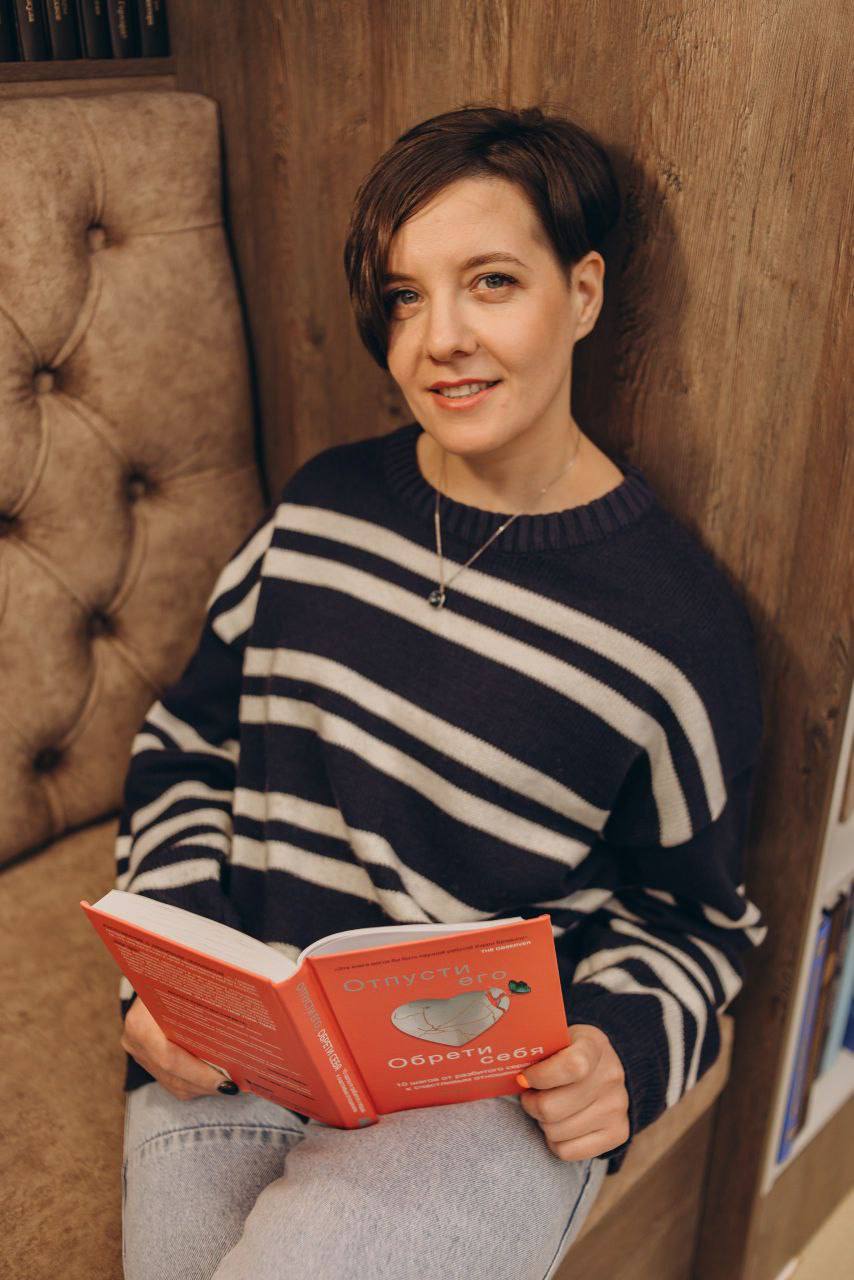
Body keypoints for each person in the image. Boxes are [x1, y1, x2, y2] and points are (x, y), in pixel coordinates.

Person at [118, 103, 767, 1280]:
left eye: (490, 282)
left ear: (581, 293)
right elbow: (187, 745)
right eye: (405, 297)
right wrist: (170, 961)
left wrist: (623, 1049)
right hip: (232, 1059)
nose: (440, 339)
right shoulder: (318, 509)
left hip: (477, 1093)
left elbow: (697, 921)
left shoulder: (679, 625)